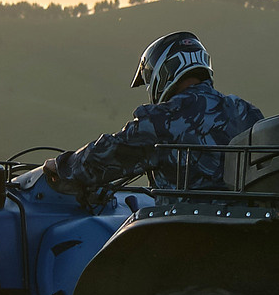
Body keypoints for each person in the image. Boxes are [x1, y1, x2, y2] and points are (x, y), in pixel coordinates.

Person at [25, 31, 264, 198]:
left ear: (166, 70)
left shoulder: (162, 120)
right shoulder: (245, 112)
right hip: (244, 226)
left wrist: (62, 165)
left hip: (185, 231)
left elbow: (108, 153)